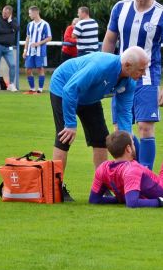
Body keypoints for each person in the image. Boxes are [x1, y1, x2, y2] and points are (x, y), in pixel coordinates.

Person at [101, 0, 163, 170]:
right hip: (120, 78)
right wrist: (104, 73)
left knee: (145, 128)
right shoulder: (120, 8)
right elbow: (110, 40)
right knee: (121, 131)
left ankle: (146, 173)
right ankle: (129, 170)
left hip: (147, 78)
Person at [50, 46, 150, 201]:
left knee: (102, 140)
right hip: (64, 87)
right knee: (64, 137)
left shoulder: (130, 82)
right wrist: (70, 124)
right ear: (127, 65)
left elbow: (124, 112)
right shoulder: (101, 66)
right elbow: (70, 90)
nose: (144, 74)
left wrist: (127, 139)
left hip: (89, 97)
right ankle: (56, 187)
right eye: (141, 70)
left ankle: (102, 187)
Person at [23, 6, 52, 93]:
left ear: (36, 13)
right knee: (28, 69)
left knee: (40, 68)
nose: (29, 15)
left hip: (40, 50)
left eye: (30, 13)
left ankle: (40, 90)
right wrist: (25, 50)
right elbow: (27, 38)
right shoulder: (30, 25)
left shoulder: (45, 24)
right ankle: (32, 89)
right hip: (30, 51)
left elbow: (49, 37)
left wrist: (38, 43)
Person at [0, 5, 19, 91]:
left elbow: (17, 28)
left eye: (6, 13)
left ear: (10, 14)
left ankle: (11, 84)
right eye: (3, 12)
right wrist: (11, 30)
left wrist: (10, 22)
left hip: (8, 48)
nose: (4, 14)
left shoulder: (13, 21)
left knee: (12, 65)